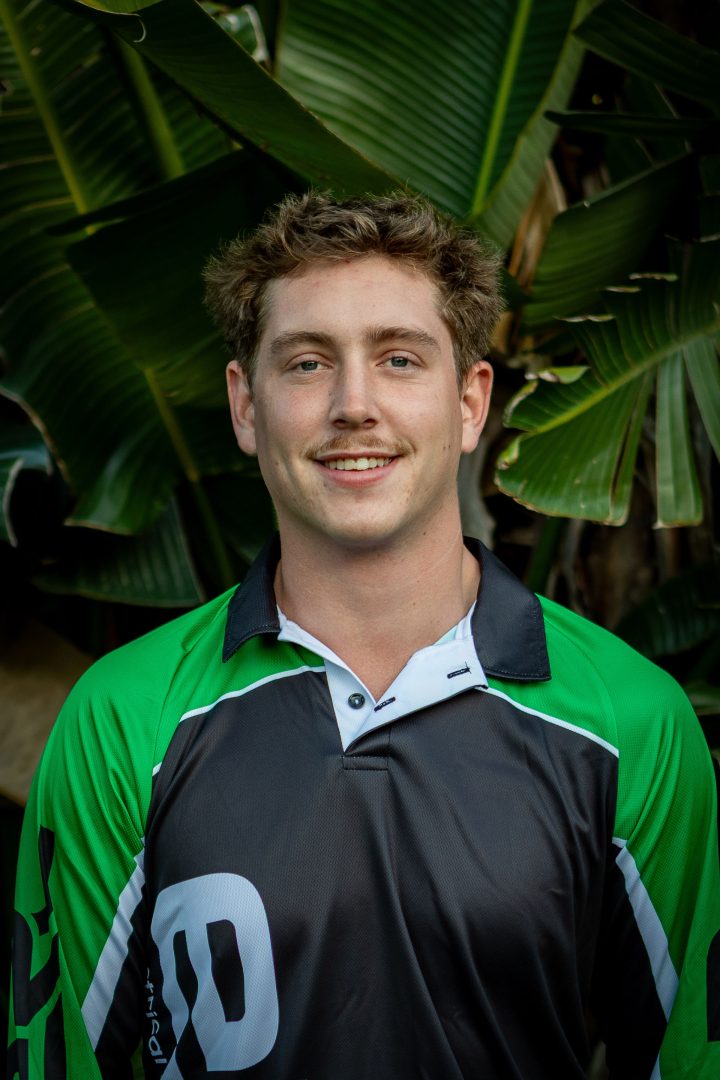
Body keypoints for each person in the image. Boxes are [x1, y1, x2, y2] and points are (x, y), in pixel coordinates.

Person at [8, 192, 719, 1080]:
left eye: (398, 358)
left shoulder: (632, 723)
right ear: (245, 405)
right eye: (306, 363)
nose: (354, 404)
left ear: (469, 402)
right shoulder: (121, 720)